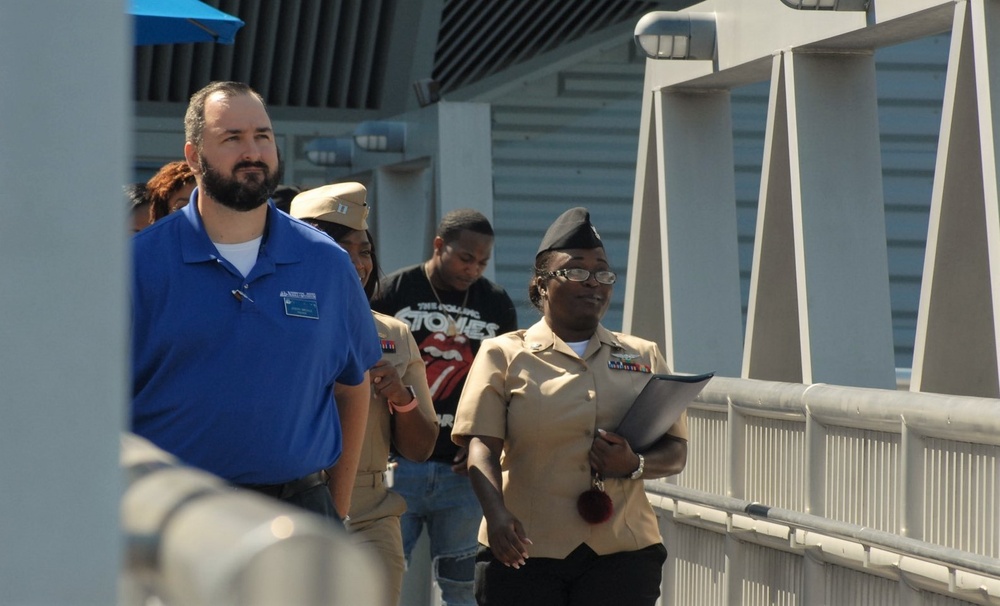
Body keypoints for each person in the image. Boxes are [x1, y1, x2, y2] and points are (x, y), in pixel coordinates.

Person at [130, 81, 381, 519]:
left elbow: (351, 387)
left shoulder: (326, 264)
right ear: (193, 155)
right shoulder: (137, 265)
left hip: (299, 514)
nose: (253, 151)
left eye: (262, 136)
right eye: (232, 138)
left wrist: (335, 513)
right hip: (172, 523)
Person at [452, 207, 689, 606]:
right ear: (542, 285)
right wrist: (496, 515)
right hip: (525, 549)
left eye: (602, 272)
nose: (593, 282)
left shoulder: (643, 355)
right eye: (576, 271)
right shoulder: (504, 354)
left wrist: (634, 464)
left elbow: (676, 450)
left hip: (623, 553)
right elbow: (482, 447)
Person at [290, 182, 440, 606]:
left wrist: (402, 398)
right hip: (289, 506)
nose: (357, 263)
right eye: (342, 248)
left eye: (365, 250)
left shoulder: (392, 334)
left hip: (370, 515)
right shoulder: (274, 318)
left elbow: (421, 446)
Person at [371, 209, 517, 605]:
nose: (473, 269)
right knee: (379, 580)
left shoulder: (495, 303)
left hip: (462, 475)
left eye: (482, 262)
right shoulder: (395, 289)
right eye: (465, 258)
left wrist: (480, 444)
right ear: (439, 245)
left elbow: (504, 385)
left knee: (462, 587)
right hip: (398, 466)